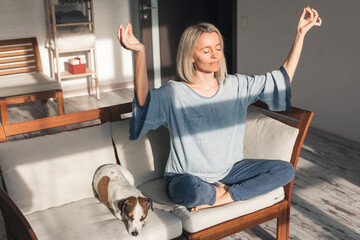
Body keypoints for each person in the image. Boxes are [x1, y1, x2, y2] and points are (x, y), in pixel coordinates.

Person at [117, 6, 322, 212]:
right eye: (206, 51)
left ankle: (223, 196)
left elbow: (281, 79)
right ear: (190, 57)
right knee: (188, 192)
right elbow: (143, 101)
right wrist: (139, 53)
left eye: (218, 48)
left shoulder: (236, 85)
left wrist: (300, 35)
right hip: (187, 176)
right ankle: (218, 191)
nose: (215, 55)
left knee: (284, 170)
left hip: (230, 171)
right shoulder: (175, 93)